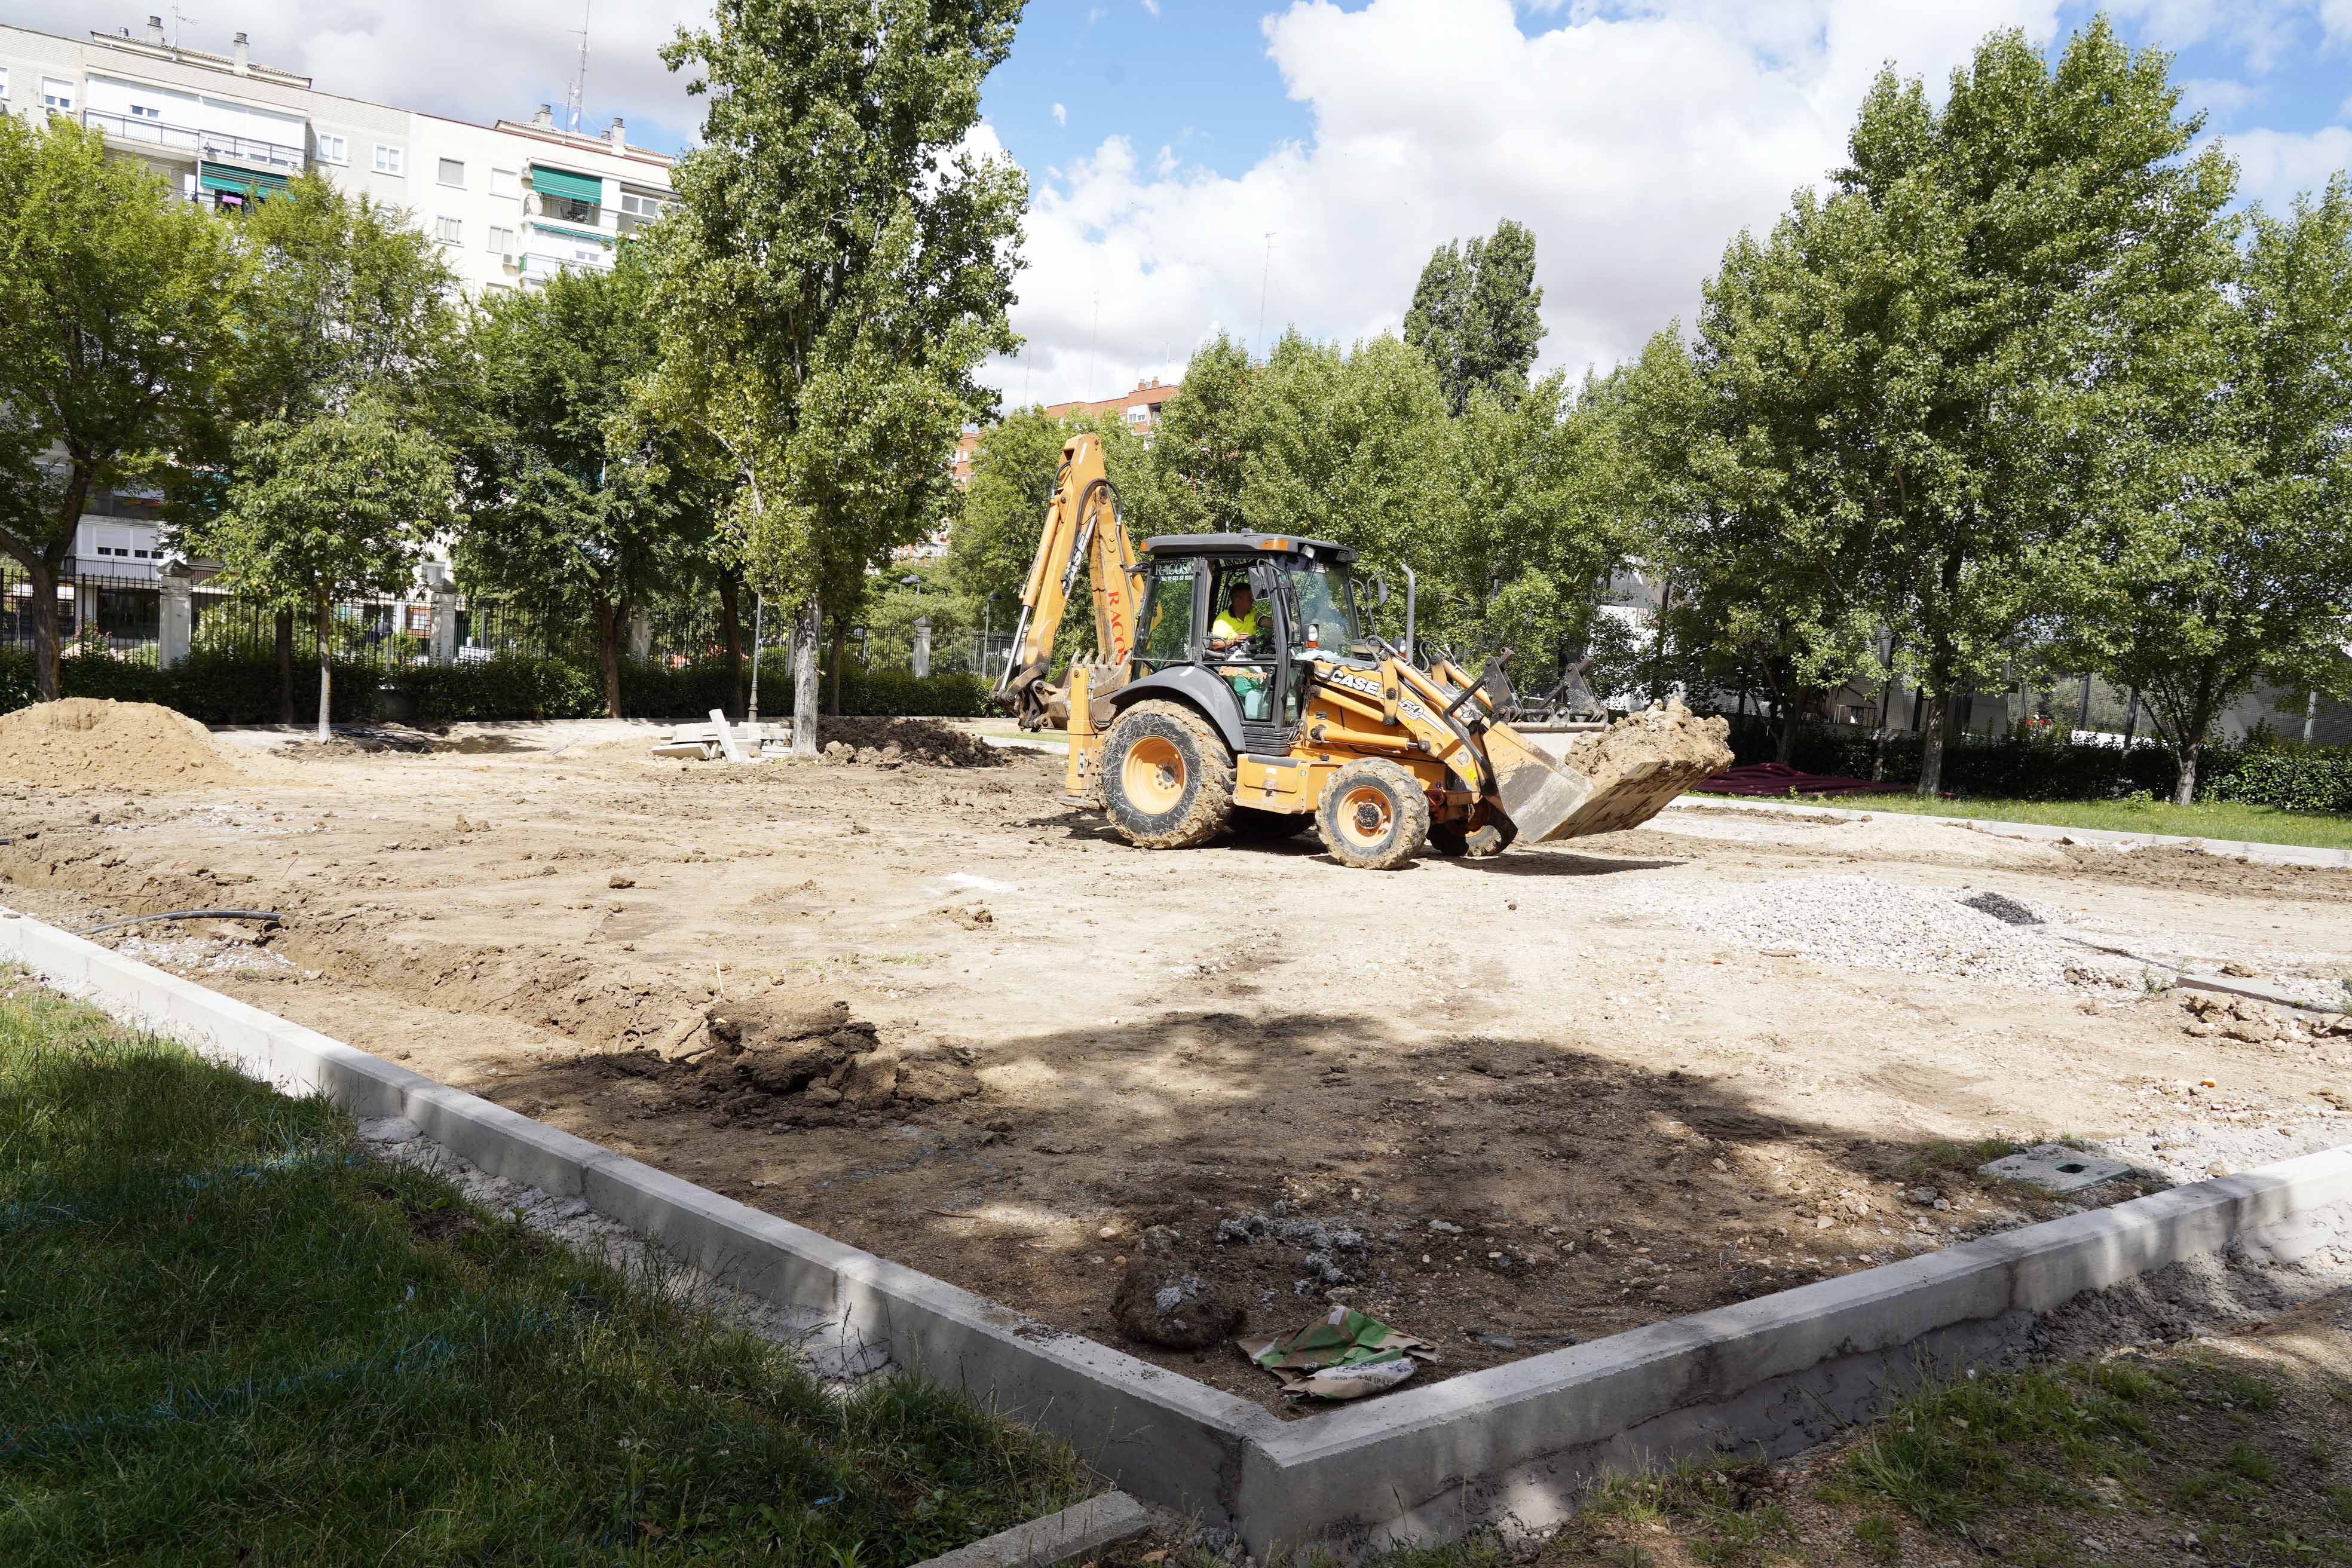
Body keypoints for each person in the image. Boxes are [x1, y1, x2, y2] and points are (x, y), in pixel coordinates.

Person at [1209, 580, 1268, 718]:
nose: (1253, 601)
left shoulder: (1252, 614)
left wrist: (1286, 622)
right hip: (1230, 663)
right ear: (1238, 600)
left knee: (1268, 680)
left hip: (1249, 661)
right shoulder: (1222, 620)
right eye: (1249, 598)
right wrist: (1233, 640)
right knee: (1246, 684)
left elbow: (1267, 621)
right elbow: (1215, 645)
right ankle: (1245, 719)